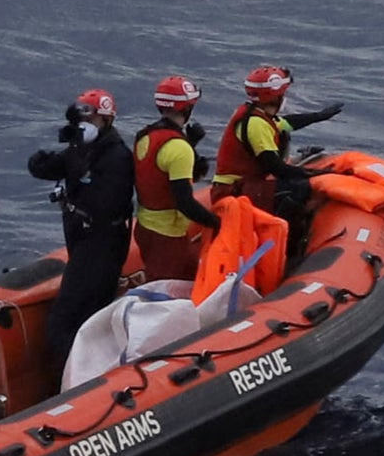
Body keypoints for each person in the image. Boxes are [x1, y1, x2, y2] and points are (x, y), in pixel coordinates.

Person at [28, 89, 136, 383]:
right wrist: (68, 148)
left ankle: (73, 382)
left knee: (64, 319)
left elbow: (106, 204)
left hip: (101, 243)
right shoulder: (83, 149)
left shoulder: (116, 157)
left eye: (93, 116)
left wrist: (81, 172)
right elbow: (40, 168)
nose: (87, 122)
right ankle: (86, 374)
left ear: (107, 119)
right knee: (85, 311)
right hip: (83, 239)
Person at [214, 64, 344, 215]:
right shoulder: (256, 124)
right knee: (300, 188)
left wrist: (319, 116)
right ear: (275, 96)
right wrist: (315, 173)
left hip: (242, 185)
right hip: (233, 190)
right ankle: (283, 230)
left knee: (295, 180)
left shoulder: (256, 114)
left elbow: (287, 124)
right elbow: (276, 168)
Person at [131, 75, 222, 284]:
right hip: (167, 236)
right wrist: (216, 223)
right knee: (166, 291)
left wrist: (190, 143)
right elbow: (185, 202)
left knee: (185, 274)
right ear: (187, 108)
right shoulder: (179, 148)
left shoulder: (144, 136)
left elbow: (156, 172)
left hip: (145, 228)